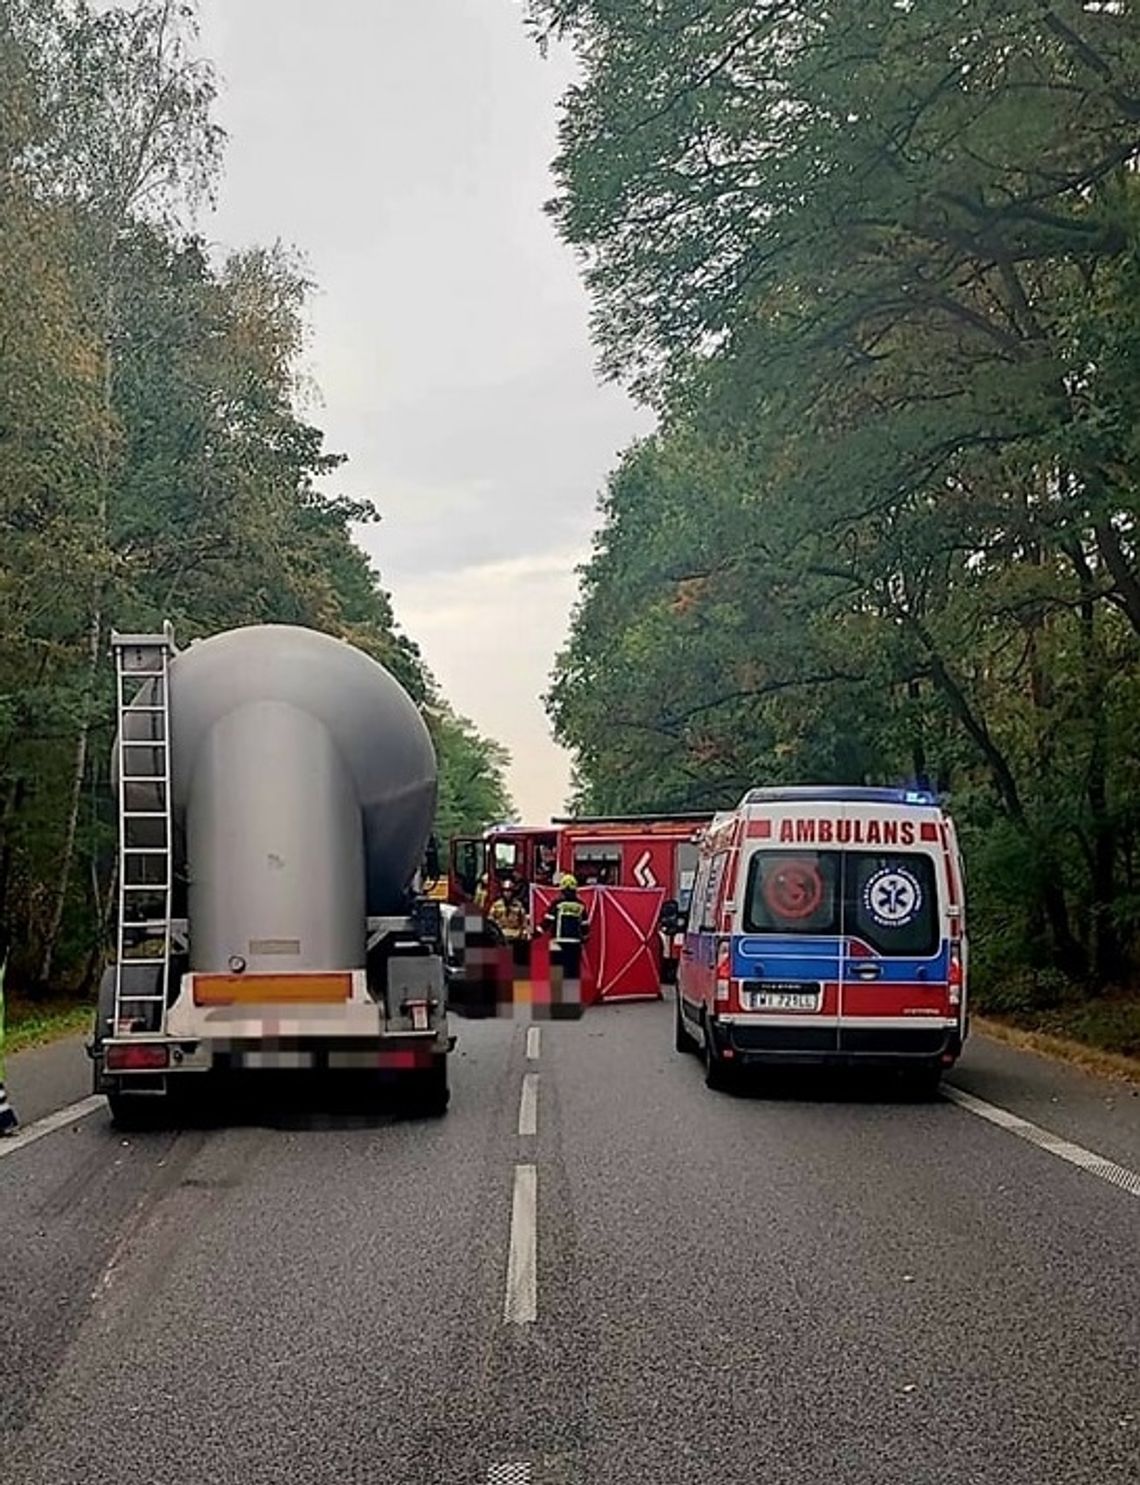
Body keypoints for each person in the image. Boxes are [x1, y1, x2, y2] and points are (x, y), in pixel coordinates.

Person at [540, 874, 589, 1017]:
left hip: (558, 942)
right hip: (574, 944)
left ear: (562, 889)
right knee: (572, 974)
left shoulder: (557, 904)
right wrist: (584, 939)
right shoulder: (581, 906)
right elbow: (585, 928)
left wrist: (535, 933)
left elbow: (546, 923)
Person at [489, 877, 531, 970]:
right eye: (505, 891)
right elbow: (491, 923)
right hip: (501, 938)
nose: (507, 893)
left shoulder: (518, 906)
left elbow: (524, 922)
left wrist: (525, 932)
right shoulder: (496, 906)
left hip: (515, 938)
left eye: (509, 891)